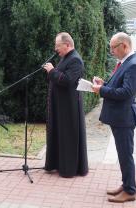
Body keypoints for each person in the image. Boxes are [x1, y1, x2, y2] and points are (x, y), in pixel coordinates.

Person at [92, 32, 136, 203]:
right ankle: (126, 184)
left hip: (124, 118)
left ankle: (130, 190)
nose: (111, 51)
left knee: (125, 154)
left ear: (124, 46)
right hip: (120, 117)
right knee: (123, 154)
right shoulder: (125, 63)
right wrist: (104, 85)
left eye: (113, 47)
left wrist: (102, 91)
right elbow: (118, 86)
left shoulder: (133, 65)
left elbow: (126, 93)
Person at [43, 32, 88, 178]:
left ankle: (69, 169)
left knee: (68, 136)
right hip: (61, 105)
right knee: (59, 135)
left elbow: (68, 81)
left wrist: (51, 71)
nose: (56, 49)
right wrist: (53, 72)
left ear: (67, 45)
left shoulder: (75, 60)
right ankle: (57, 164)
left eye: (58, 46)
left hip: (69, 107)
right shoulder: (66, 58)